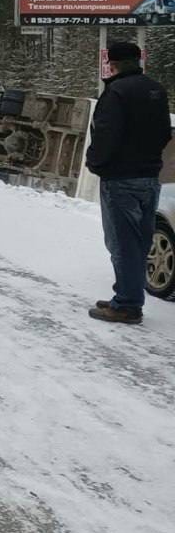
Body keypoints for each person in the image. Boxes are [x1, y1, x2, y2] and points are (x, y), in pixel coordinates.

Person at [86, 40, 171, 324]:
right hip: (149, 177)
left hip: (120, 178)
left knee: (121, 243)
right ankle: (125, 295)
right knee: (140, 240)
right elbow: (164, 133)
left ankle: (127, 304)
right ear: (139, 60)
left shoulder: (116, 92)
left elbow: (105, 136)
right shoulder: (156, 90)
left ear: (113, 63)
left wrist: (95, 163)